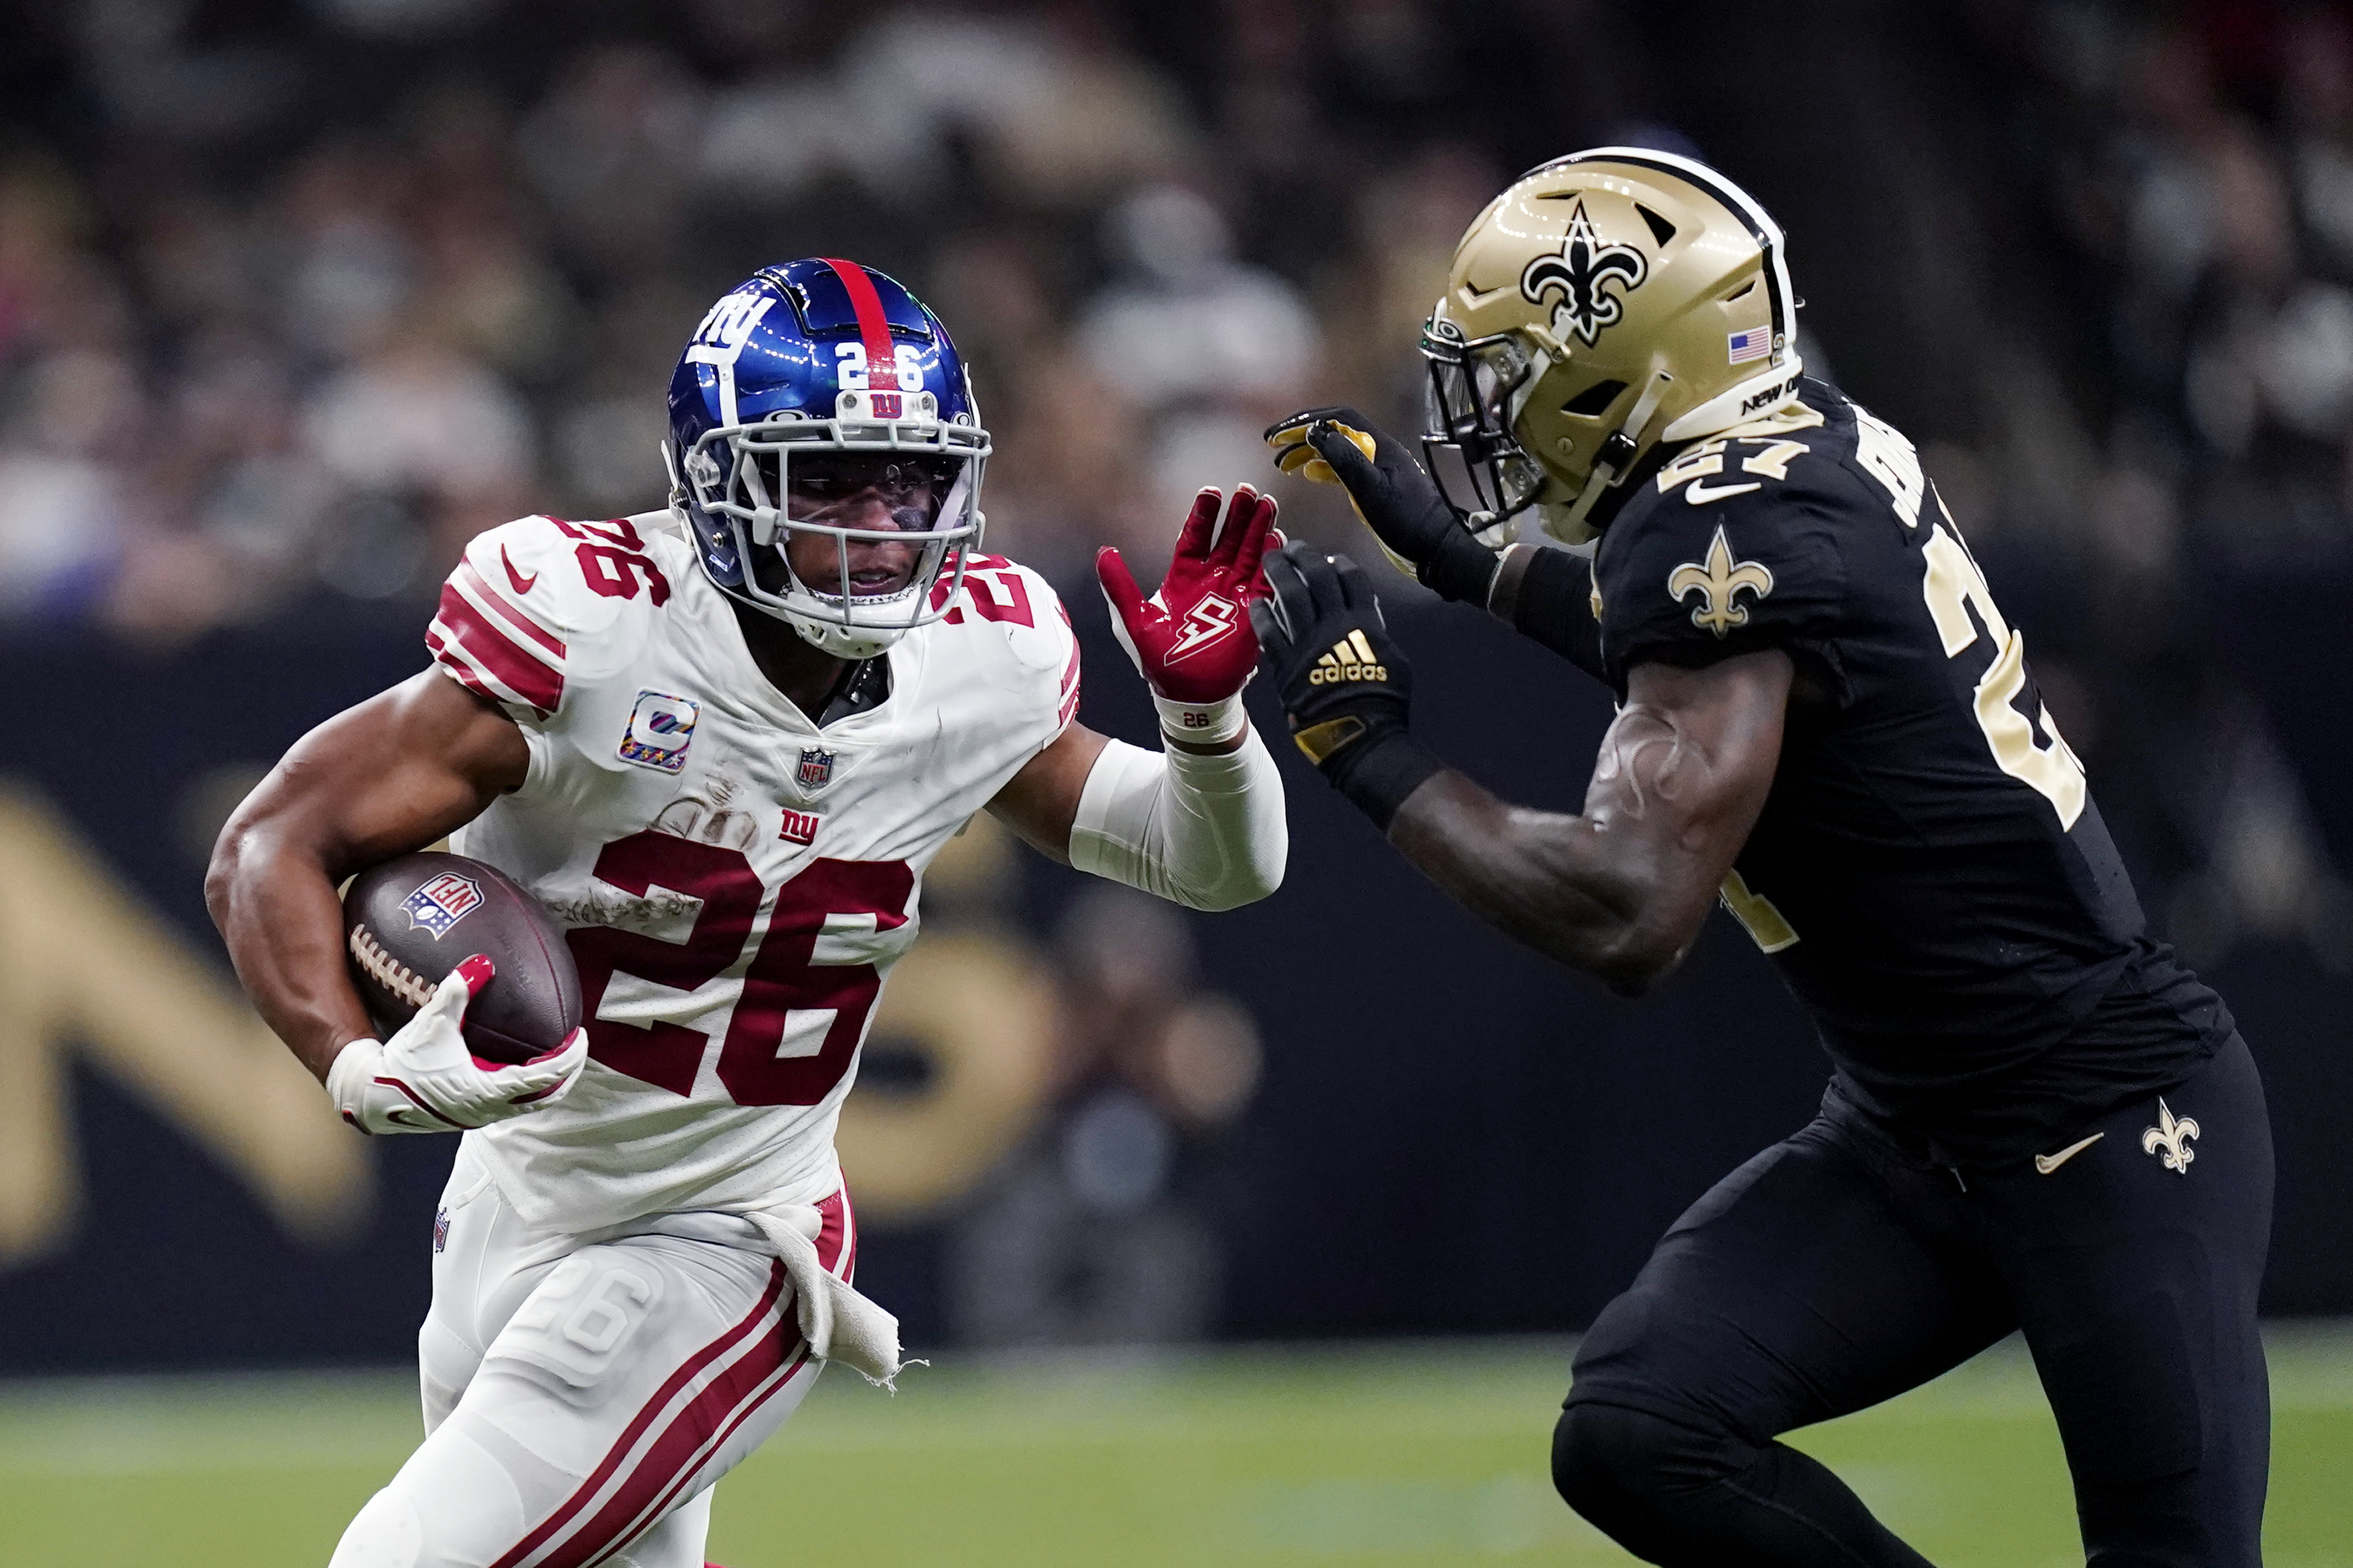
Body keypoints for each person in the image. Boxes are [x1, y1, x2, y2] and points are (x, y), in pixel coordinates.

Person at [1256, 149, 2269, 1566]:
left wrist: (1367, 752)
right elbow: (1688, 627)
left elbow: (1629, 913)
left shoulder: (1723, 520)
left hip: (2103, 1116)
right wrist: (1461, 562)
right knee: (1640, 1425)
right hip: (1920, 1130)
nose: (1488, 411)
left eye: (1517, 368)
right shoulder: (1791, 443)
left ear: (1630, 359)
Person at [206, 257, 1288, 1568]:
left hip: (734, 1230)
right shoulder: (594, 634)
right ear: (715, 479)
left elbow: (1211, 861)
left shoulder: (976, 663)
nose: (883, 519)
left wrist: (1206, 723)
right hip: (513, 1204)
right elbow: (275, 839)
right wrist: (350, 1061)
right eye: (830, 475)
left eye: (911, 476)